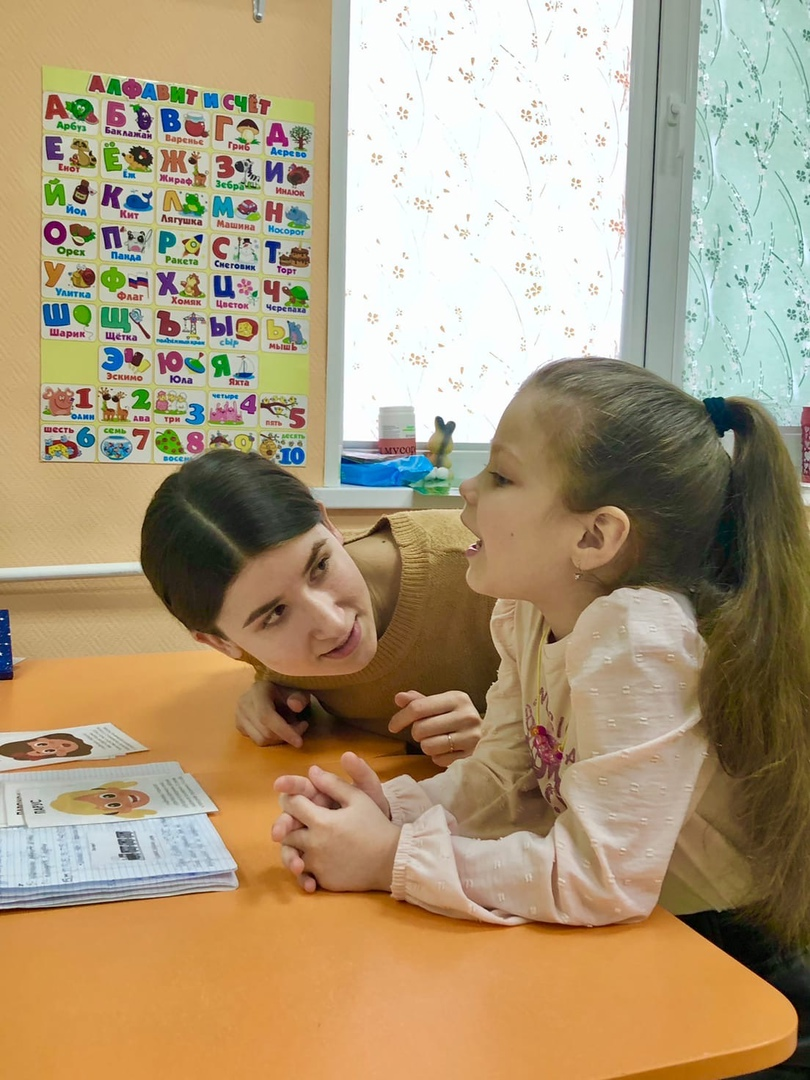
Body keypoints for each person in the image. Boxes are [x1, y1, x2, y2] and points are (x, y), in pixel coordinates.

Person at [273, 358, 810, 1078]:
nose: (468, 488)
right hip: (640, 936)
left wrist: (388, 858)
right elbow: (504, 780)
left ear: (594, 538)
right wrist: (389, 811)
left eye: (501, 476)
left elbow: (601, 879)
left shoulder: (637, 640)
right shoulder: (527, 613)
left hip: (728, 966)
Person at [140, 450, 499, 765]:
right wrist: (266, 690)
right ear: (222, 643)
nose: (334, 624)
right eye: (277, 614)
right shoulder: (250, 639)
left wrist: (502, 746)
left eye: (320, 566)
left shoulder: (485, 571)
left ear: (328, 524)